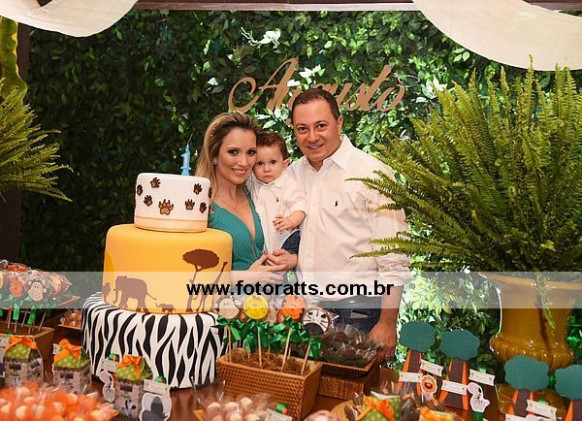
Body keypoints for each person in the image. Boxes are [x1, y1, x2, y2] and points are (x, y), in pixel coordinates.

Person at [272, 88, 411, 359]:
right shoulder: (293, 174)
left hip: (357, 314)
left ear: (339, 122)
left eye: (321, 126)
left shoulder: (372, 174)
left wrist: (387, 323)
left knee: (351, 386)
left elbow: (394, 258)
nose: (312, 137)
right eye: (302, 129)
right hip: (302, 311)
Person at [196, 112, 289, 277]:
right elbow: (187, 274)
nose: (244, 162)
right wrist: (243, 278)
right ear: (214, 154)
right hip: (228, 294)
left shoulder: (254, 192)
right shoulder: (200, 206)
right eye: (233, 152)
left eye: (251, 152)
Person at [247, 131, 307, 255]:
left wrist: (290, 221)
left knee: (283, 258)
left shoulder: (288, 183)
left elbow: (301, 208)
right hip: (266, 242)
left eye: (272, 162)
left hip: (286, 237)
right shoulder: (254, 182)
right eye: (260, 164)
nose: (266, 169)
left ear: (284, 164)